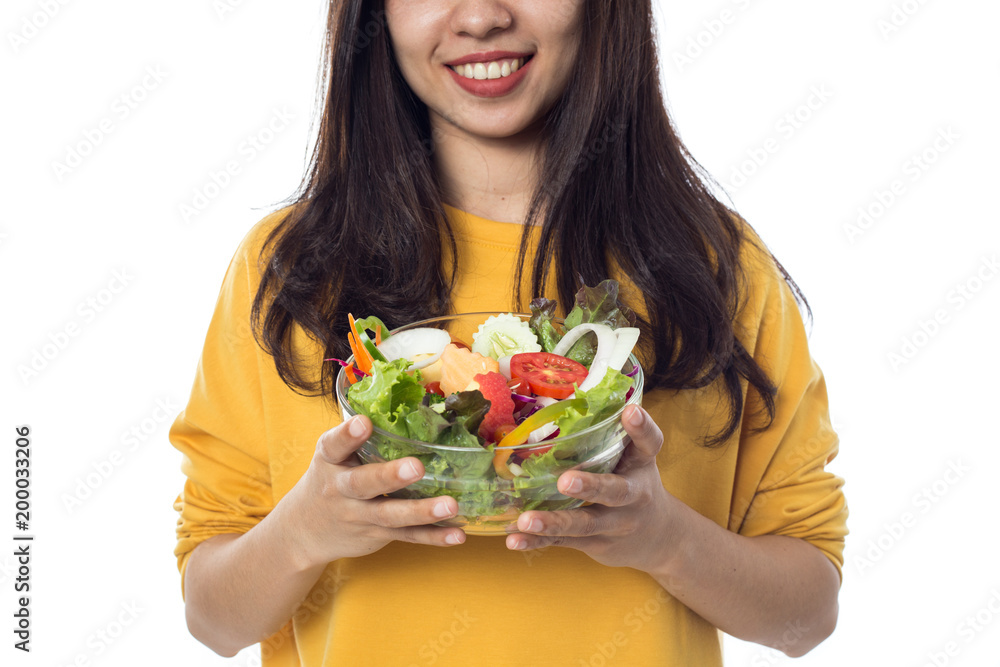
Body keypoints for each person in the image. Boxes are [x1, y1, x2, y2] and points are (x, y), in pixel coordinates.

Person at [171, 1, 848, 665]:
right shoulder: (290, 270)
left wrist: (664, 537)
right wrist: (303, 531)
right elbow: (212, 618)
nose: (480, 17)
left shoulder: (717, 269)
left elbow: (807, 615)